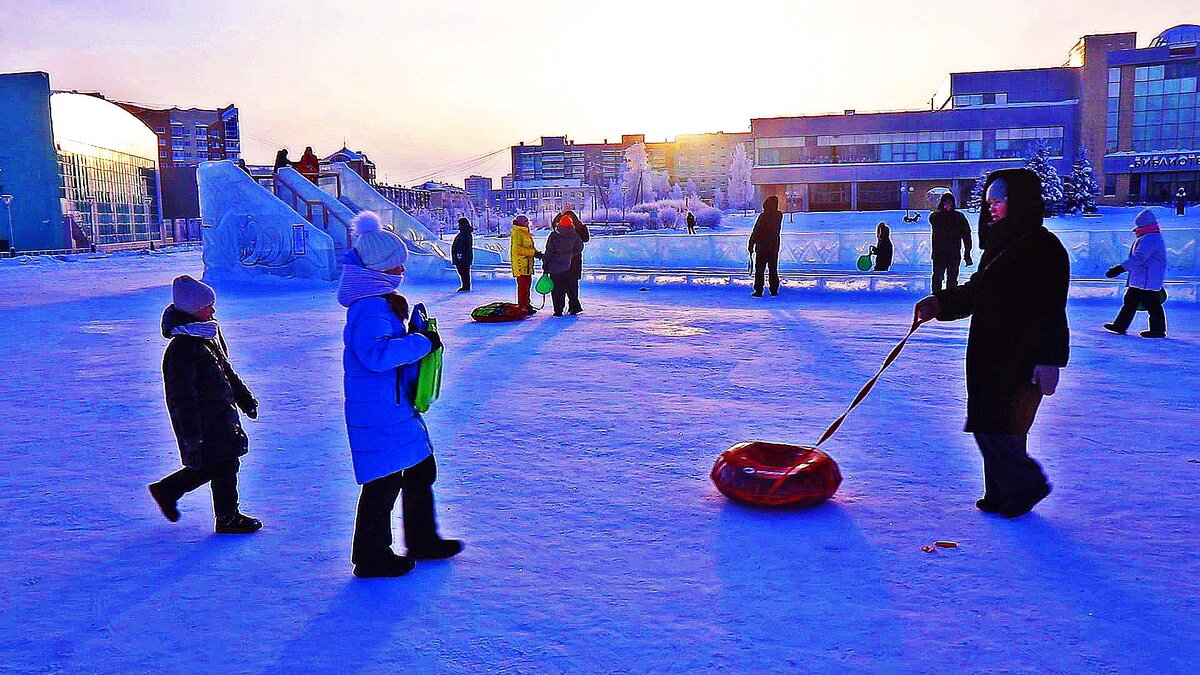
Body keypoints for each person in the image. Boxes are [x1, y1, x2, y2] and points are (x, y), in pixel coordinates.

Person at [913, 168, 1069, 519]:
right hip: (990, 353)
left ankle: (1026, 484)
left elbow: (1051, 308)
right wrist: (939, 303)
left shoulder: (1044, 248)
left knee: (994, 426)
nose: (991, 209)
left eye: (998, 201)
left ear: (1020, 202)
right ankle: (1001, 493)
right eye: (989, 203)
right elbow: (977, 291)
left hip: (1022, 357)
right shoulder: (1002, 245)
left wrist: (1049, 359)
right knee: (998, 425)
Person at [338, 211, 462, 578]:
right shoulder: (370, 307)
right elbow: (376, 355)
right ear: (379, 270)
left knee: (420, 468)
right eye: (397, 267)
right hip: (377, 410)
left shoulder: (379, 301)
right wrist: (420, 342)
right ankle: (370, 555)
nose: (402, 272)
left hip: (391, 405)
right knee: (384, 480)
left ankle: (422, 539)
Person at [148, 276, 262, 535]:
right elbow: (181, 397)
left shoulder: (205, 336)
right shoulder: (181, 350)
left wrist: (245, 399)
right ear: (192, 309)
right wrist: (191, 435)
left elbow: (226, 372)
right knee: (220, 464)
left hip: (221, 414)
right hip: (204, 422)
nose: (213, 310)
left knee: (222, 464)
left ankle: (170, 491)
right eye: (208, 306)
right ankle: (226, 517)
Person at [1104, 209, 1168, 338]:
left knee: (1151, 304)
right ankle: (1120, 325)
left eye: (1139, 226)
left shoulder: (1150, 239)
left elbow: (1139, 258)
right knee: (1131, 302)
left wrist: (1120, 268)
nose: (1137, 229)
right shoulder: (1149, 237)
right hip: (1143, 279)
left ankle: (1158, 330)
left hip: (1146, 280)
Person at [928, 193, 974, 291]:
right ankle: (936, 299)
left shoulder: (959, 217)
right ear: (942, 204)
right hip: (939, 254)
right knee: (937, 278)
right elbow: (935, 220)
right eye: (945, 202)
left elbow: (967, 235)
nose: (948, 205)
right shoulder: (936, 217)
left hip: (954, 254)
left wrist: (967, 253)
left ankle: (950, 301)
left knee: (952, 280)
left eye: (950, 202)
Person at [542, 213, 584, 316]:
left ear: (559, 224)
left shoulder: (554, 235)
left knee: (557, 290)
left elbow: (549, 252)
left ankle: (558, 310)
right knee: (567, 286)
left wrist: (545, 263)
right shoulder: (574, 235)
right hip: (567, 265)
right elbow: (580, 247)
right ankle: (572, 307)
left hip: (555, 266)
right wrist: (570, 254)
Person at [552, 203, 588, 314]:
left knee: (561, 285)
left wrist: (561, 212)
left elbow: (554, 225)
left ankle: (564, 307)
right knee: (572, 284)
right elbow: (585, 239)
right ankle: (574, 305)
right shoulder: (578, 229)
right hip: (575, 261)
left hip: (562, 262)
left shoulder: (557, 232)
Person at [748, 196, 783, 297]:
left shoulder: (763, 216)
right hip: (774, 247)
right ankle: (774, 290)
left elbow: (756, 231)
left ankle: (759, 290)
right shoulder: (778, 215)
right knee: (773, 269)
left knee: (759, 269)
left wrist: (751, 243)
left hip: (762, 247)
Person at [509, 214, 542, 314]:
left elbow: (530, 247)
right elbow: (518, 249)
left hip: (527, 264)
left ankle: (526, 304)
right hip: (521, 264)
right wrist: (534, 253)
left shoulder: (525, 231)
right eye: (526, 221)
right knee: (523, 286)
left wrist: (537, 253)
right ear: (521, 222)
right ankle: (523, 306)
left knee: (527, 286)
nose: (528, 223)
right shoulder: (518, 232)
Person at [451, 217, 474, 292]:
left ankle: (466, 286)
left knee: (463, 271)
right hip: (464, 256)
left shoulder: (464, 233)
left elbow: (463, 245)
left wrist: (459, 254)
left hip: (463, 257)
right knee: (464, 272)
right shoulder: (465, 233)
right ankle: (465, 285)